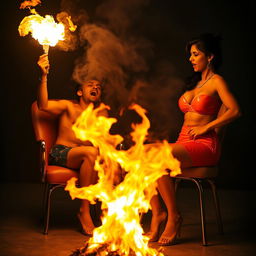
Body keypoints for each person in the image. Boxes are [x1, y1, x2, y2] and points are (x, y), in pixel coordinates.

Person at [146, 33, 241, 246]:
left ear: (210, 57)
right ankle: (159, 213)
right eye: (190, 54)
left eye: (195, 54)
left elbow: (235, 110)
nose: (191, 58)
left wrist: (208, 126)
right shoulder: (195, 84)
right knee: (143, 156)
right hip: (184, 143)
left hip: (205, 145)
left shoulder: (217, 82)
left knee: (155, 155)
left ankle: (174, 216)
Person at [37, 53, 108, 236]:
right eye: (90, 85)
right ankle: (84, 211)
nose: (95, 87)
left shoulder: (102, 114)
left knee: (106, 159)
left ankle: (109, 215)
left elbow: (103, 143)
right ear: (79, 91)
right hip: (61, 153)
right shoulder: (69, 107)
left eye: (98, 86)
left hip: (86, 157)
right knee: (91, 153)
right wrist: (43, 76)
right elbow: (42, 106)